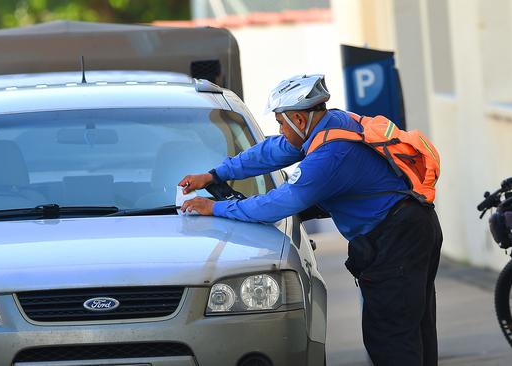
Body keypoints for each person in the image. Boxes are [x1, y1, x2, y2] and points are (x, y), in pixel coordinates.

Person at [178, 74, 443, 366]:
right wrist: (216, 174)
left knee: (390, 339)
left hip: (395, 240)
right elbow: (273, 151)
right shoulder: (334, 124)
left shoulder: (328, 156)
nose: (279, 129)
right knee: (414, 328)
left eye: (280, 122)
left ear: (298, 120)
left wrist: (214, 209)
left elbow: (275, 205)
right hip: (416, 225)